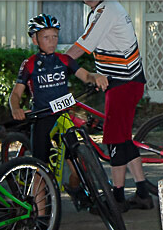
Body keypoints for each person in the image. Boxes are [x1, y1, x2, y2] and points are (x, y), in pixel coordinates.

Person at [64, 0, 153, 211]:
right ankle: (143, 191)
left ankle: (117, 197)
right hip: (123, 81)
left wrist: (59, 61)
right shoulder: (99, 11)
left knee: (113, 139)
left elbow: (83, 45)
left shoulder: (107, 10)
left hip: (124, 82)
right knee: (123, 138)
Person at [9, 14, 108, 187]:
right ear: (35, 40)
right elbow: (16, 93)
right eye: (46, 37)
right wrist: (15, 108)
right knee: (40, 169)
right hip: (42, 117)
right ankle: (39, 211)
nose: (52, 41)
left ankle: (80, 192)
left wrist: (96, 77)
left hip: (63, 115)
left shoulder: (64, 60)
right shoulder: (29, 64)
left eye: (55, 36)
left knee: (78, 163)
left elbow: (85, 75)